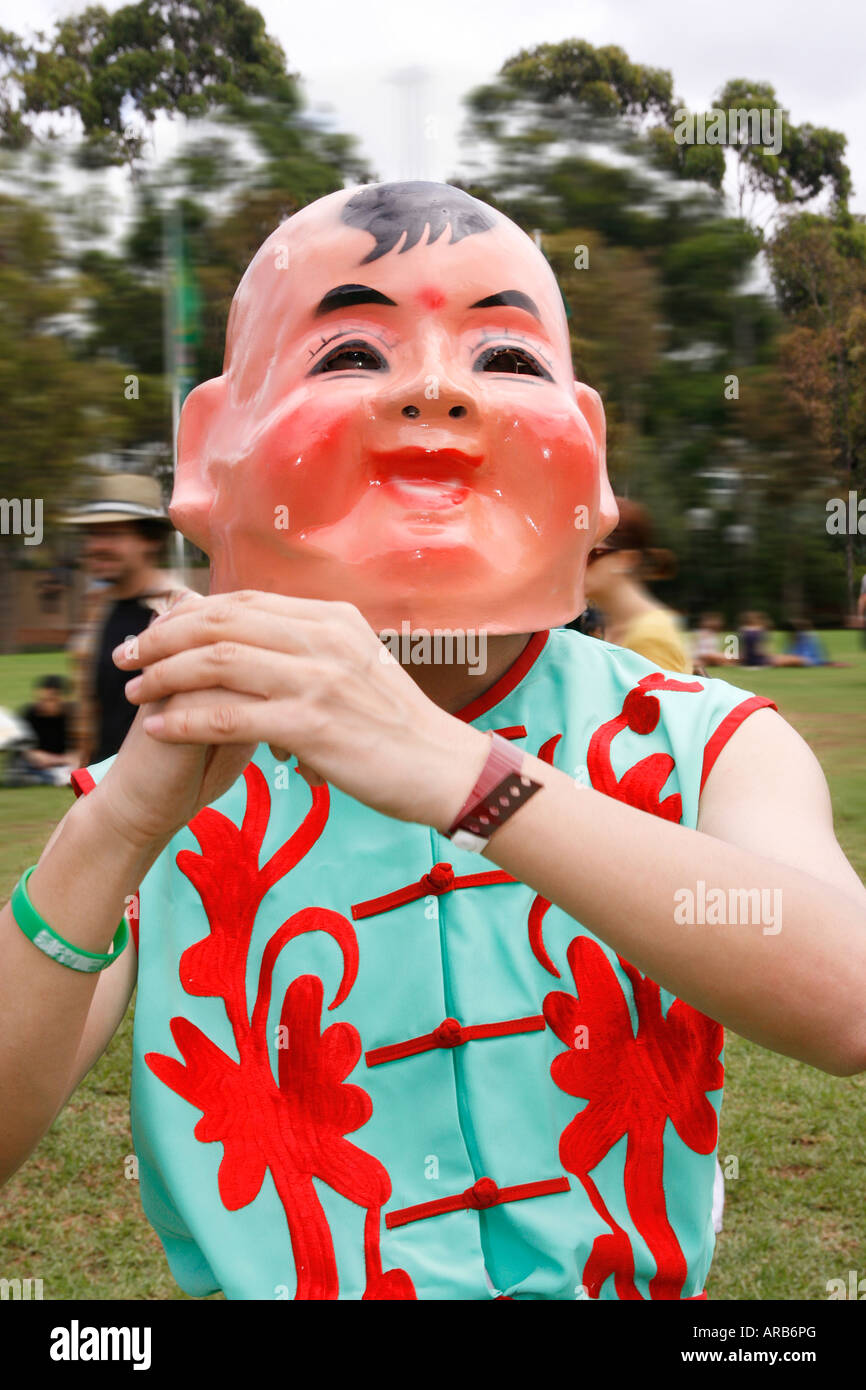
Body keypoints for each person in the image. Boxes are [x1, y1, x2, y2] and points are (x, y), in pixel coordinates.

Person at [2, 181, 865, 1303]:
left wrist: (472, 776)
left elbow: (846, 1001)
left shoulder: (699, 740)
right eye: (350, 350)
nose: (433, 391)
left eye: (504, 358)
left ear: (590, 456)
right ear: (209, 450)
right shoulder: (164, 798)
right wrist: (112, 828)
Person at [65, 476, 178, 765]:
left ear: (150, 540)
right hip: (100, 789)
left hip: (159, 795)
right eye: (92, 534)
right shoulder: (97, 610)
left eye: (112, 534)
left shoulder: (178, 614)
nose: (96, 545)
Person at [583, 497, 693, 673]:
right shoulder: (616, 626)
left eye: (589, 554)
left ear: (624, 560)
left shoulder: (651, 636)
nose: (575, 565)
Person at [18, 676, 76, 786]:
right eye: (41, 700)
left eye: (50, 700)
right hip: (38, 764)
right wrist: (62, 759)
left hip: (64, 764)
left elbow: (81, 750)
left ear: (62, 699)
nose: (43, 704)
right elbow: (30, 754)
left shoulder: (73, 715)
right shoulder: (29, 715)